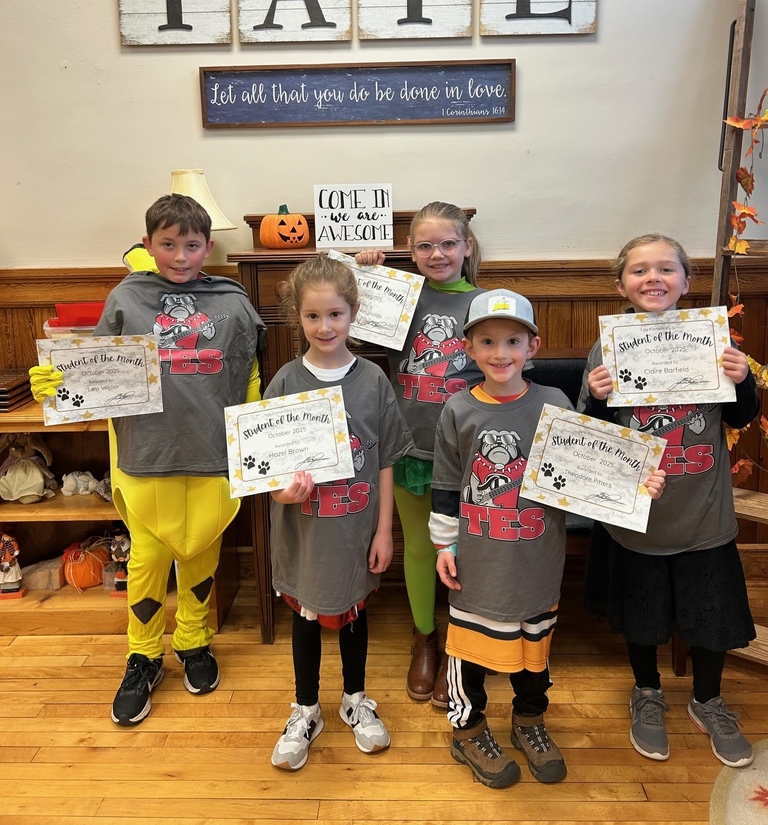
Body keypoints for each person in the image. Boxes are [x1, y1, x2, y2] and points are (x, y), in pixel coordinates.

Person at [29, 194, 265, 726]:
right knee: (148, 560)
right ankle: (143, 655)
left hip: (213, 451)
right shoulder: (126, 297)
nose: (181, 256)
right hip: (147, 451)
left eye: (192, 244)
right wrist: (59, 384)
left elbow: (249, 373)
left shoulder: (230, 299)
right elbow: (97, 369)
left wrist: (252, 435)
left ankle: (194, 641)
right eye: (168, 244)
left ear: (208, 246)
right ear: (148, 244)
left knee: (203, 553)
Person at [432, 289, 665, 789]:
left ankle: (529, 720)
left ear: (532, 346)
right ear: (468, 349)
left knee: (534, 644)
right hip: (477, 557)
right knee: (471, 648)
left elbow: (590, 470)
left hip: (538, 554)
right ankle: (467, 728)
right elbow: (448, 483)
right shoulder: (456, 409)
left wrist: (635, 482)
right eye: (488, 342)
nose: (500, 353)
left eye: (513, 341)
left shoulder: (555, 403)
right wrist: (443, 545)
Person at [578, 233, 758, 769]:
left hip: (702, 509)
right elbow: (591, 437)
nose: (653, 278)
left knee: (711, 616)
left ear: (686, 281)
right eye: (639, 270)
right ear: (620, 285)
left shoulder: (713, 340)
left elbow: (741, 417)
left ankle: (708, 699)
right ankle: (647, 692)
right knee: (643, 614)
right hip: (636, 515)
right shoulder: (606, 347)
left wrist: (742, 380)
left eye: (666, 269)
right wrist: (598, 394)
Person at [267, 254, 413, 771]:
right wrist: (283, 495)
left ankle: (355, 699)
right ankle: (306, 708)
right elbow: (266, 470)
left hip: (356, 528)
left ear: (353, 313)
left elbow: (388, 461)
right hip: (303, 531)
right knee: (306, 615)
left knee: (354, 612)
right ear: (297, 318)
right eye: (312, 316)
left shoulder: (373, 379)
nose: (324, 326)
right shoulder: (284, 380)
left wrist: (385, 532)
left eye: (335, 314)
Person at [356, 201, 484, 707]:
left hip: (470, 453)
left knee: (468, 548)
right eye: (425, 245)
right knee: (420, 546)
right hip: (410, 444)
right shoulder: (401, 298)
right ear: (410, 251)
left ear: (466, 246)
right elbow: (349, 333)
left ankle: (463, 642)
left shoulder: (486, 302)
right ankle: (424, 638)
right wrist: (366, 278)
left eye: (448, 243)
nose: (437, 253)